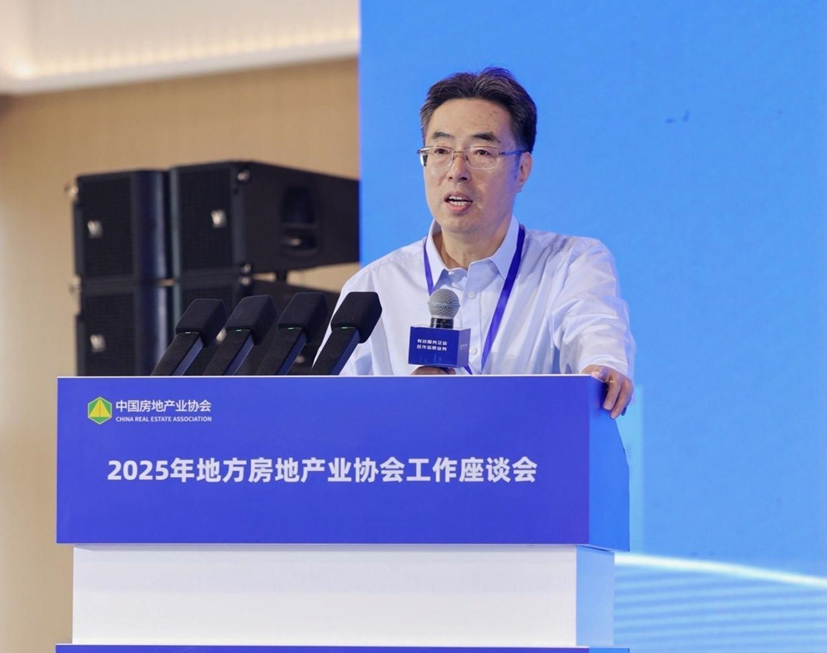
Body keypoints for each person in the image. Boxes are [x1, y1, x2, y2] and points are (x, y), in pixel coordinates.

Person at [332, 67, 635, 418]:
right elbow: (335, 413)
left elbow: (597, 333)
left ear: (522, 170)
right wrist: (404, 408)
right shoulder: (373, 287)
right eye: (440, 150)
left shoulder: (571, 264)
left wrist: (603, 368)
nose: (456, 171)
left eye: (481, 152)